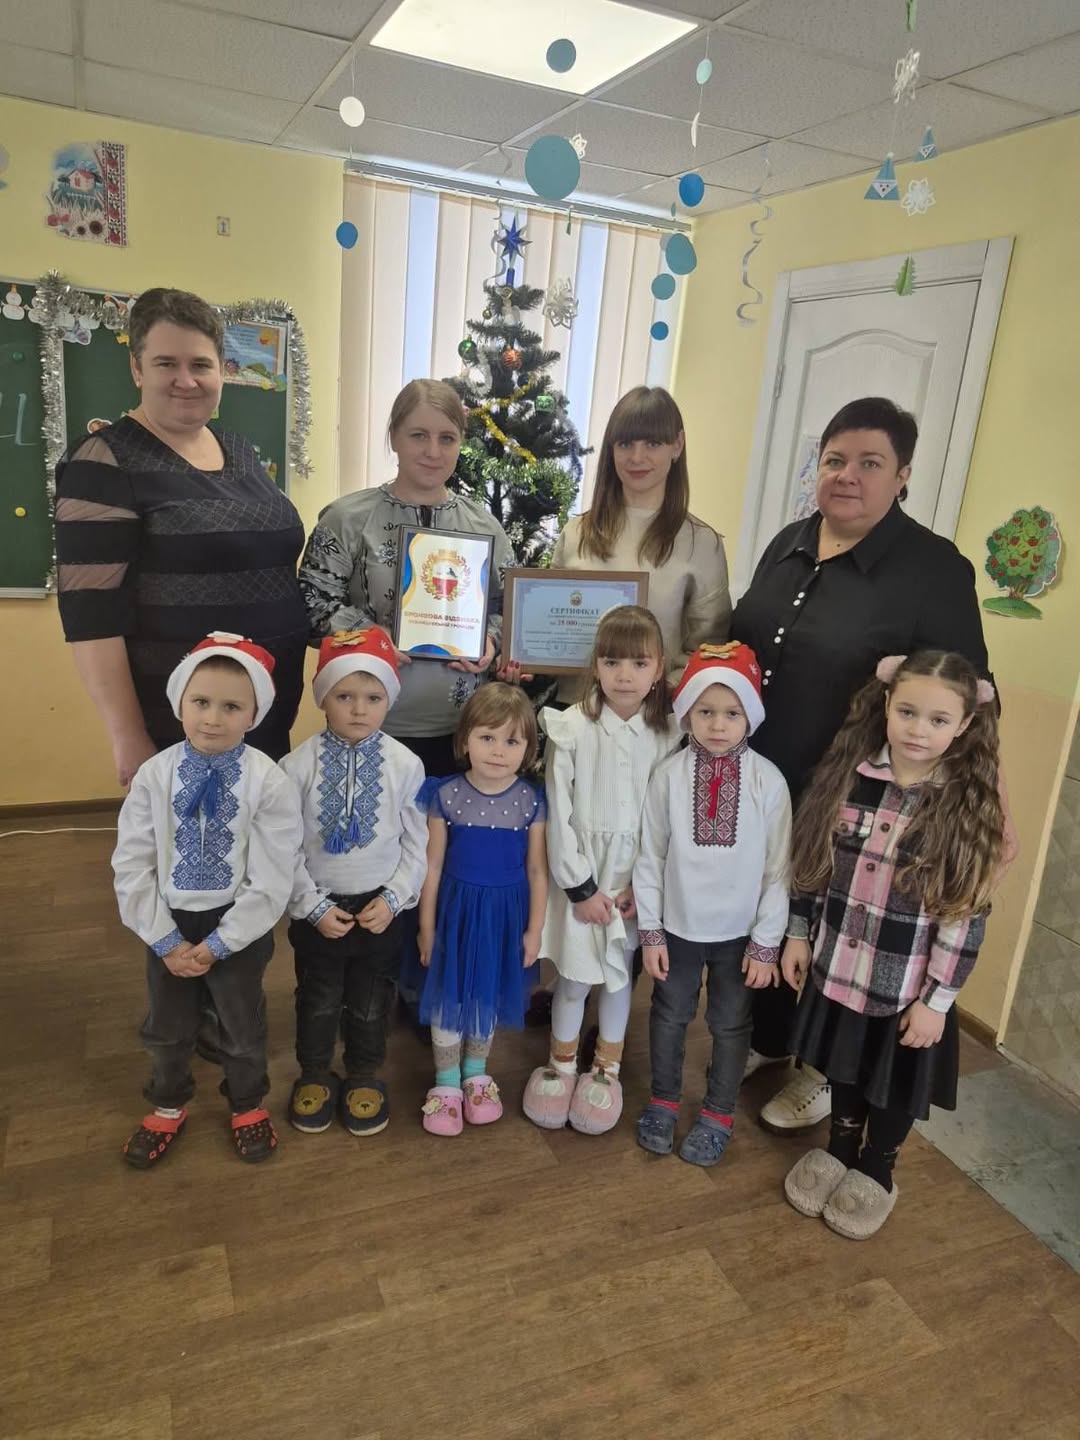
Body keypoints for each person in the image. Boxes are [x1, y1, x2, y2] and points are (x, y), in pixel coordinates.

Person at [730, 396, 994, 1136]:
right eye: (835, 460)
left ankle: (822, 1071)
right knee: (776, 916)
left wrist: (974, 809)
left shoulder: (933, 569)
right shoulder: (788, 542)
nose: (847, 475)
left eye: (870, 463)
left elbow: (970, 695)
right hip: (762, 779)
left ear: (903, 475)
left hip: (858, 797)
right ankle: (769, 1039)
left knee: (843, 930)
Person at [298, 378, 516, 1025]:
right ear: (393, 436)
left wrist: (492, 641)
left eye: (446, 437)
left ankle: (426, 991)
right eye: (418, 434)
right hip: (371, 729)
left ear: (461, 444)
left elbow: (511, 610)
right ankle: (361, 989)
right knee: (370, 855)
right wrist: (372, 641)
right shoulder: (349, 518)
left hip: (458, 730)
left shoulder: (483, 527)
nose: (432, 450)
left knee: (439, 866)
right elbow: (311, 604)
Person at [780, 651, 1005, 1239]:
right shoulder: (848, 779)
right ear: (886, 705)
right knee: (843, 1065)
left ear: (963, 724)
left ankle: (877, 1167)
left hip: (906, 990)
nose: (918, 730)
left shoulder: (964, 804)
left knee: (892, 1083)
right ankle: (839, 1147)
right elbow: (812, 866)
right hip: (838, 966)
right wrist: (799, 934)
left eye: (938, 719)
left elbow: (964, 915)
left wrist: (937, 1001)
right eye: (907, 712)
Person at [55, 288, 309, 779]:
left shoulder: (238, 449)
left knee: (259, 828)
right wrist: (127, 735)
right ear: (137, 369)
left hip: (263, 709)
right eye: (166, 363)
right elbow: (91, 617)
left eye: (201, 364)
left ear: (222, 370)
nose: (186, 380)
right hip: (182, 724)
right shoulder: (104, 461)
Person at [112, 634, 303, 1168]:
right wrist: (165, 940)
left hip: (239, 924)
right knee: (167, 1026)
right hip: (168, 922)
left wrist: (223, 942)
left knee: (241, 1025)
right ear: (180, 703)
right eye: (201, 702)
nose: (213, 718)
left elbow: (273, 874)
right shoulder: (155, 776)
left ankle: (247, 1103)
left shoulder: (268, 781)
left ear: (254, 715)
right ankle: (167, 1103)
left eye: (231, 707)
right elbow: (132, 863)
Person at [522, 607, 680, 1135]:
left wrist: (639, 885)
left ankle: (605, 1070)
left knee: (617, 978)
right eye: (612, 662)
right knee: (572, 979)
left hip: (633, 881)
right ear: (596, 665)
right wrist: (581, 887)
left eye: (639, 663)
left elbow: (664, 818)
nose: (624, 675)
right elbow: (559, 812)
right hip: (583, 878)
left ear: (658, 668)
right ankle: (561, 1064)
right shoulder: (571, 727)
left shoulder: (669, 734)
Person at [635, 643, 791, 1166]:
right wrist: (651, 932)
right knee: (669, 1015)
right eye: (705, 711)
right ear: (686, 713)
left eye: (731, 713)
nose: (718, 725)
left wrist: (766, 943)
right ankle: (663, 1101)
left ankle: (719, 1113)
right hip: (677, 929)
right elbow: (650, 856)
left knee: (730, 1025)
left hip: (740, 936)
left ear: (751, 716)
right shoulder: (669, 775)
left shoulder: (769, 781)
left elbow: (778, 869)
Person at [279, 627, 427, 1139]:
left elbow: (417, 844)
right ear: (323, 698)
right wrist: (311, 905)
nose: (359, 709)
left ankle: (364, 1072)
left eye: (373, 697)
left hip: (379, 910)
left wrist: (394, 897)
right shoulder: (295, 767)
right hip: (318, 911)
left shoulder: (406, 766)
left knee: (371, 999)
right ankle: (315, 1072)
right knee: (317, 997)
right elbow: (283, 848)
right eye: (344, 696)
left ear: (389, 700)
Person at [416, 685, 548, 1136]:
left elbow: (537, 871)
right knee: (450, 995)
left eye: (512, 741)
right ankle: (446, 1081)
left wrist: (535, 930)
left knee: (486, 996)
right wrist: (427, 927)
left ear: (528, 749)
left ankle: (476, 1074)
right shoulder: (445, 795)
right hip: (455, 912)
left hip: (505, 916)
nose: (498, 751)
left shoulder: (531, 801)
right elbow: (432, 866)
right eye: (487, 737)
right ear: (465, 739)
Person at [547, 386, 731, 702]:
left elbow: (706, 651)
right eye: (625, 444)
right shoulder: (576, 533)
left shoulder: (702, 544)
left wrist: (648, 693)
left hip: (656, 718)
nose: (636, 457)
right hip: (574, 712)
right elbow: (548, 628)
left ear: (677, 445)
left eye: (652, 443)